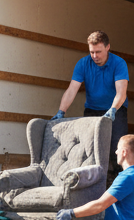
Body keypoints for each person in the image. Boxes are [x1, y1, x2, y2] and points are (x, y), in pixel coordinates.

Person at [54, 31, 129, 164]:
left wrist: (112, 110)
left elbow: (121, 93)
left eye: (98, 52)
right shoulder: (82, 64)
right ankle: (93, 180)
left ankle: (116, 177)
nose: (95, 56)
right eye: (92, 52)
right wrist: (61, 111)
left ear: (108, 47)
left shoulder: (119, 63)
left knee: (117, 146)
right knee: (89, 147)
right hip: (92, 110)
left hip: (116, 110)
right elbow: (72, 90)